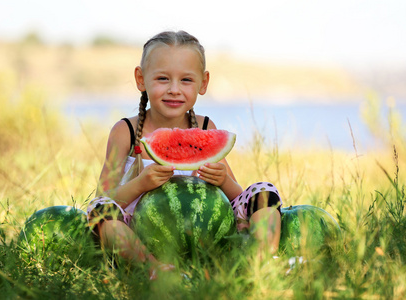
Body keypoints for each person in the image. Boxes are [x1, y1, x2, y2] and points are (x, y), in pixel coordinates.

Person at [86, 30, 283, 279]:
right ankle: (152, 268)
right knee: (100, 211)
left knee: (263, 193)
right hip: (140, 231)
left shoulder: (205, 128)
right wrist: (140, 184)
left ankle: (262, 261)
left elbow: (237, 200)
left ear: (203, 83)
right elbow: (103, 198)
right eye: (162, 79)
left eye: (186, 80)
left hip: (205, 234)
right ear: (140, 79)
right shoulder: (124, 131)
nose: (174, 90)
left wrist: (224, 181)